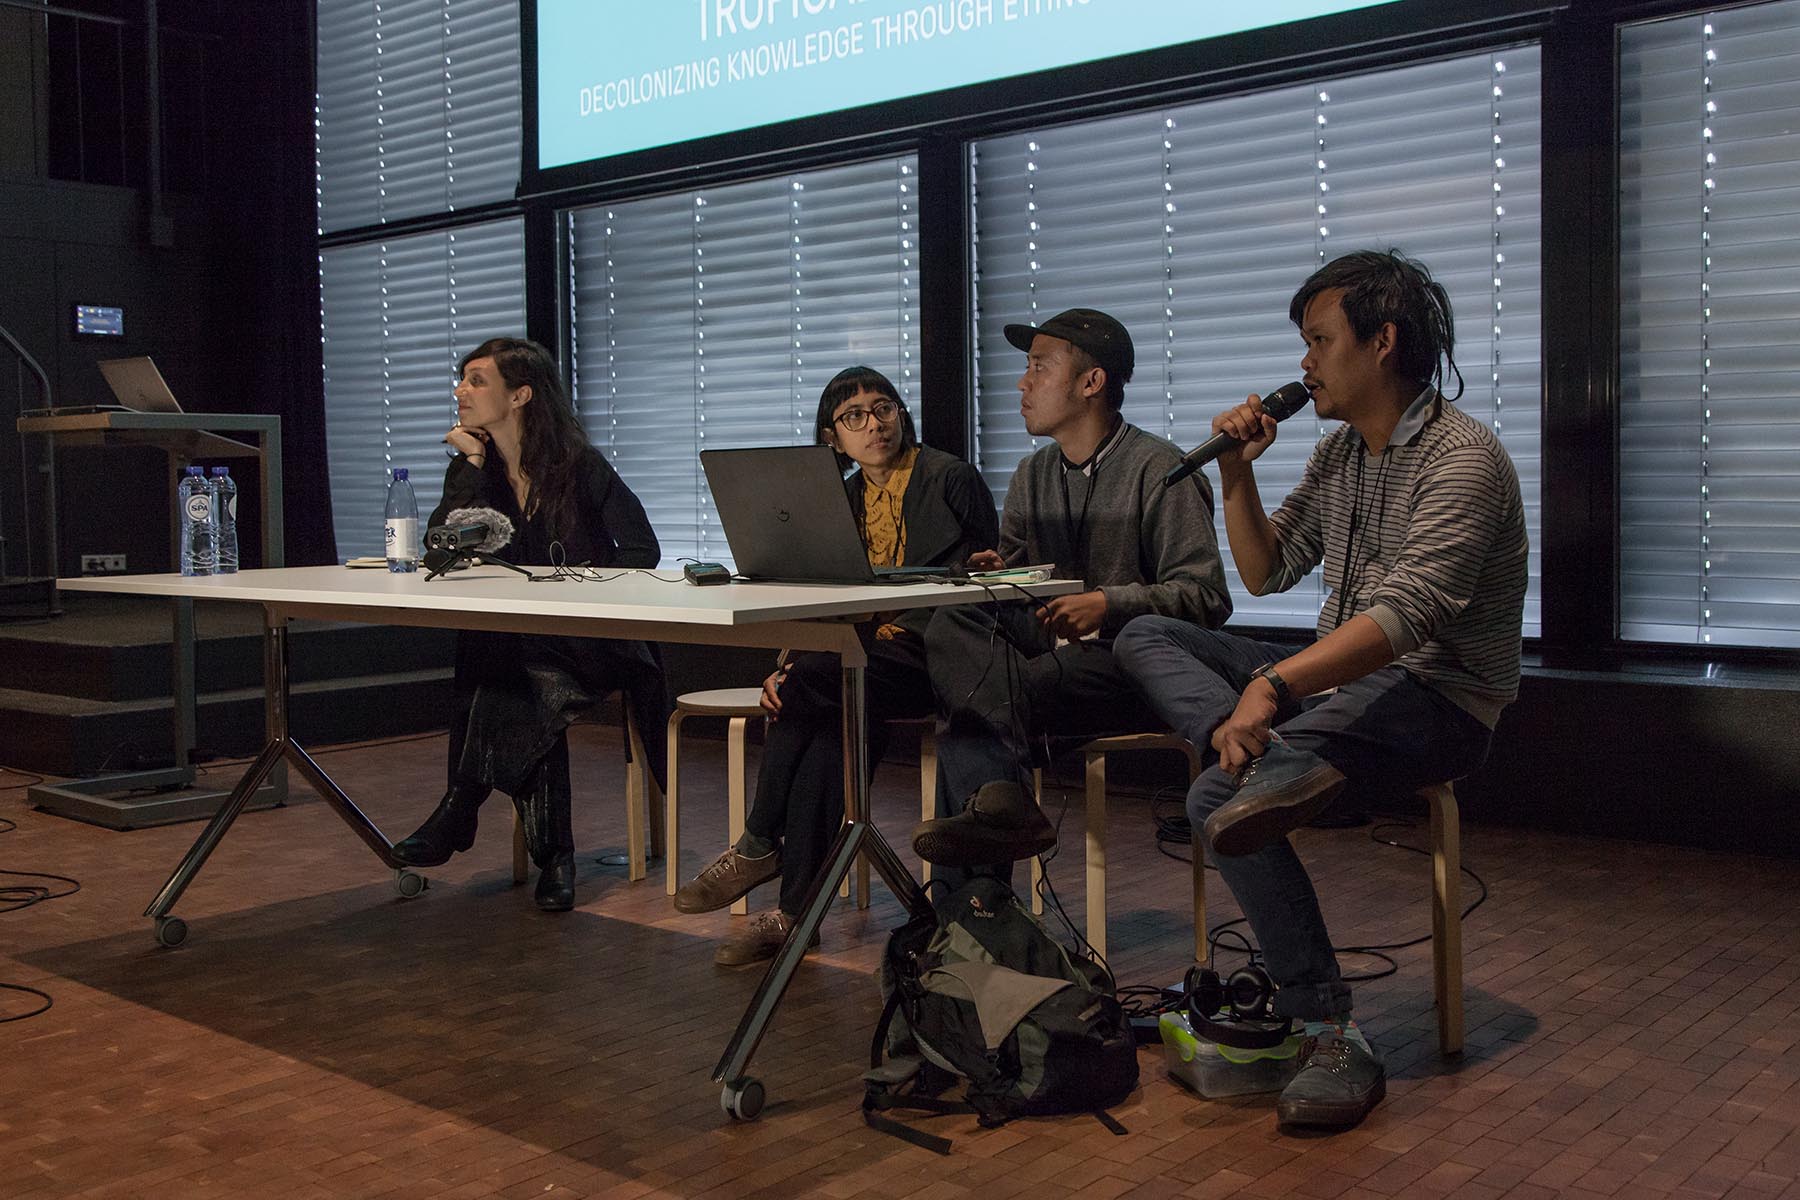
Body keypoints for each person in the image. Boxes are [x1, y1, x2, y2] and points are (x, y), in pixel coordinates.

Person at [1113, 250, 1528, 1130]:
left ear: (1382, 343)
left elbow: (1410, 617)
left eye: (1317, 340)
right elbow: (1266, 572)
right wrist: (1235, 470)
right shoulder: (1343, 452)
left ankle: (1330, 1030)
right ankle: (1257, 752)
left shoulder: (1466, 459)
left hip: (1437, 699)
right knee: (1148, 631)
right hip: (1335, 693)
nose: (1304, 363)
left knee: (1216, 797)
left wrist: (1271, 683)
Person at [670, 366, 998, 965]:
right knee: (827, 728)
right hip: (857, 665)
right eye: (855, 416)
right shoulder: (841, 497)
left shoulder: (949, 477)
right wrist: (786, 664)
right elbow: (816, 595)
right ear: (831, 439)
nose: (874, 424)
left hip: (934, 656)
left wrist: (804, 672)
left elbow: (974, 588)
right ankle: (795, 918)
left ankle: (758, 840)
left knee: (821, 686)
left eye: (885, 408)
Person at [911, 308, 1233, 868]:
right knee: (956, 620)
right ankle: (1003, 816)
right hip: (1043, 650)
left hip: (1124, 660)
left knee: (973, 703)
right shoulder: (1032, 475)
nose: (1022, 381)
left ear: (1091, 382)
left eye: (1039, 366)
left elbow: (1205, 597)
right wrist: (999, 573)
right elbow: (1020, 576)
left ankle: (975, 913)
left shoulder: (1162, 470)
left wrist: (1110, 603)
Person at [390, 337, 669, 912]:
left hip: (595, 640)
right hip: (529, 647)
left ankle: (460, 808)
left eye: (476, 380)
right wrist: (469, 467)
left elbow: (643, 549)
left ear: (519, 395)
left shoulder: (579, 466)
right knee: (514, 667)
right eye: (461, 380)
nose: (460, 392)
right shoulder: (477, 473)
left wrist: (579, 588)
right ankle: (553, 856)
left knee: (502, 663)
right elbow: (441, 553)